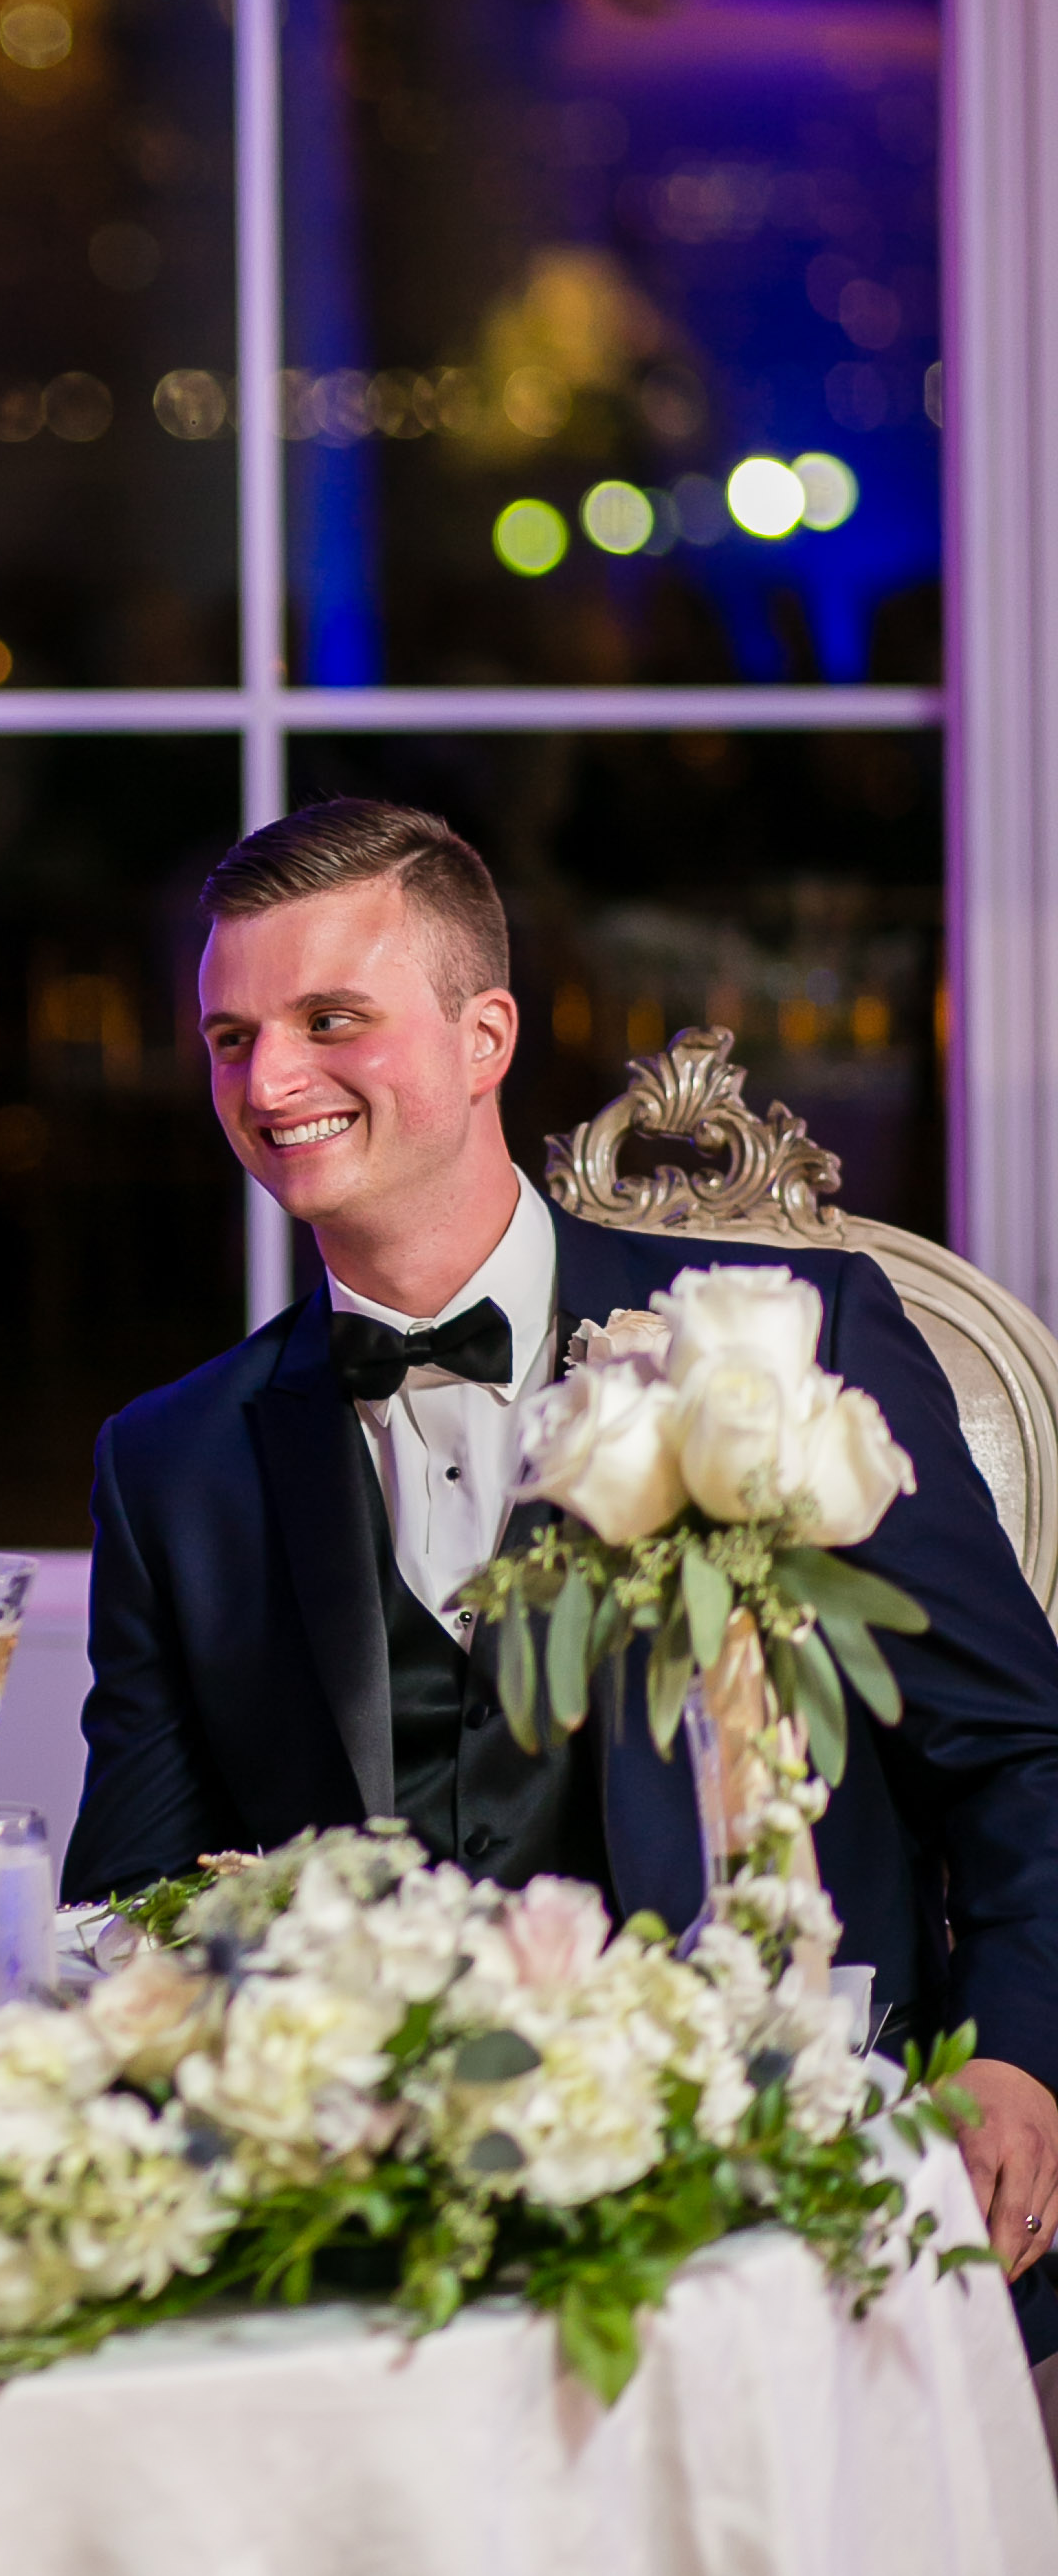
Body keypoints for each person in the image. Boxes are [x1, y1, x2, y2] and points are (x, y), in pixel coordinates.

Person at [62, 796, 1058, 2322]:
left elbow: (1018, 1751)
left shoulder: (789, 1339)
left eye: (334, 1019)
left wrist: (1016, 2055)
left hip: (789, 2186)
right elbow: (134, 1904)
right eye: (228, 1037)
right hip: (377, 2248)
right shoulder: (170, 1463)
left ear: (486, 1036)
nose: (271, 1080)